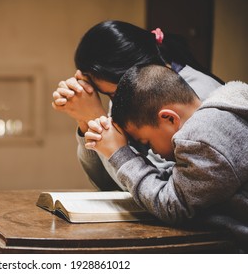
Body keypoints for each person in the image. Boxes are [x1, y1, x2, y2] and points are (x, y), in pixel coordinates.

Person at [85, 64, 248, 248]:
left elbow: (172, 206)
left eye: (147, 142)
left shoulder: (202, 137)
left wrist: (119, 153)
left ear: (169, 118)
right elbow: (177, 183)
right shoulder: (220, 116)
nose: (153, 151)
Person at [52, 20, 223, 191]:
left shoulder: (197, 98)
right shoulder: (128, 96)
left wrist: (95, 118)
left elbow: (161, 191)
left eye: (113, 93)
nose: (114, 100)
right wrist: (87, 123)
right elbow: (107, 184)